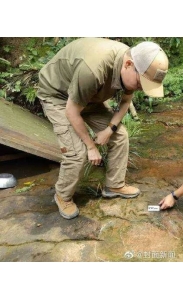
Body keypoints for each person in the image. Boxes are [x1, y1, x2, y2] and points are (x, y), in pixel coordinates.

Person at [37, 37, 169, 220]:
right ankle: (62, 196)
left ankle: (114, 185)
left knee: (120, 135)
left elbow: (126, 100)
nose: (140, 89)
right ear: (129, 64)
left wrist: (109, 129)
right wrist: (91, 147)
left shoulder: (132, 63)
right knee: (77, 152)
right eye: (140, 84)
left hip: (89, 96)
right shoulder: (93, 69)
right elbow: (72, 111)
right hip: (58, 97)